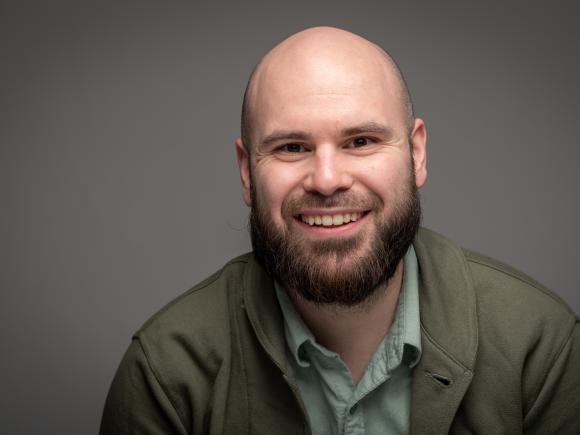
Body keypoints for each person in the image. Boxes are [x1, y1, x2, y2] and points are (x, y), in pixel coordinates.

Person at [100, 27, 580, 434]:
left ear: (416, 155)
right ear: (247, 172)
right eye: (291, 147)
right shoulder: (166, 374)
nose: (327, 180)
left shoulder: (539, 348)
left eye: (361, 141)